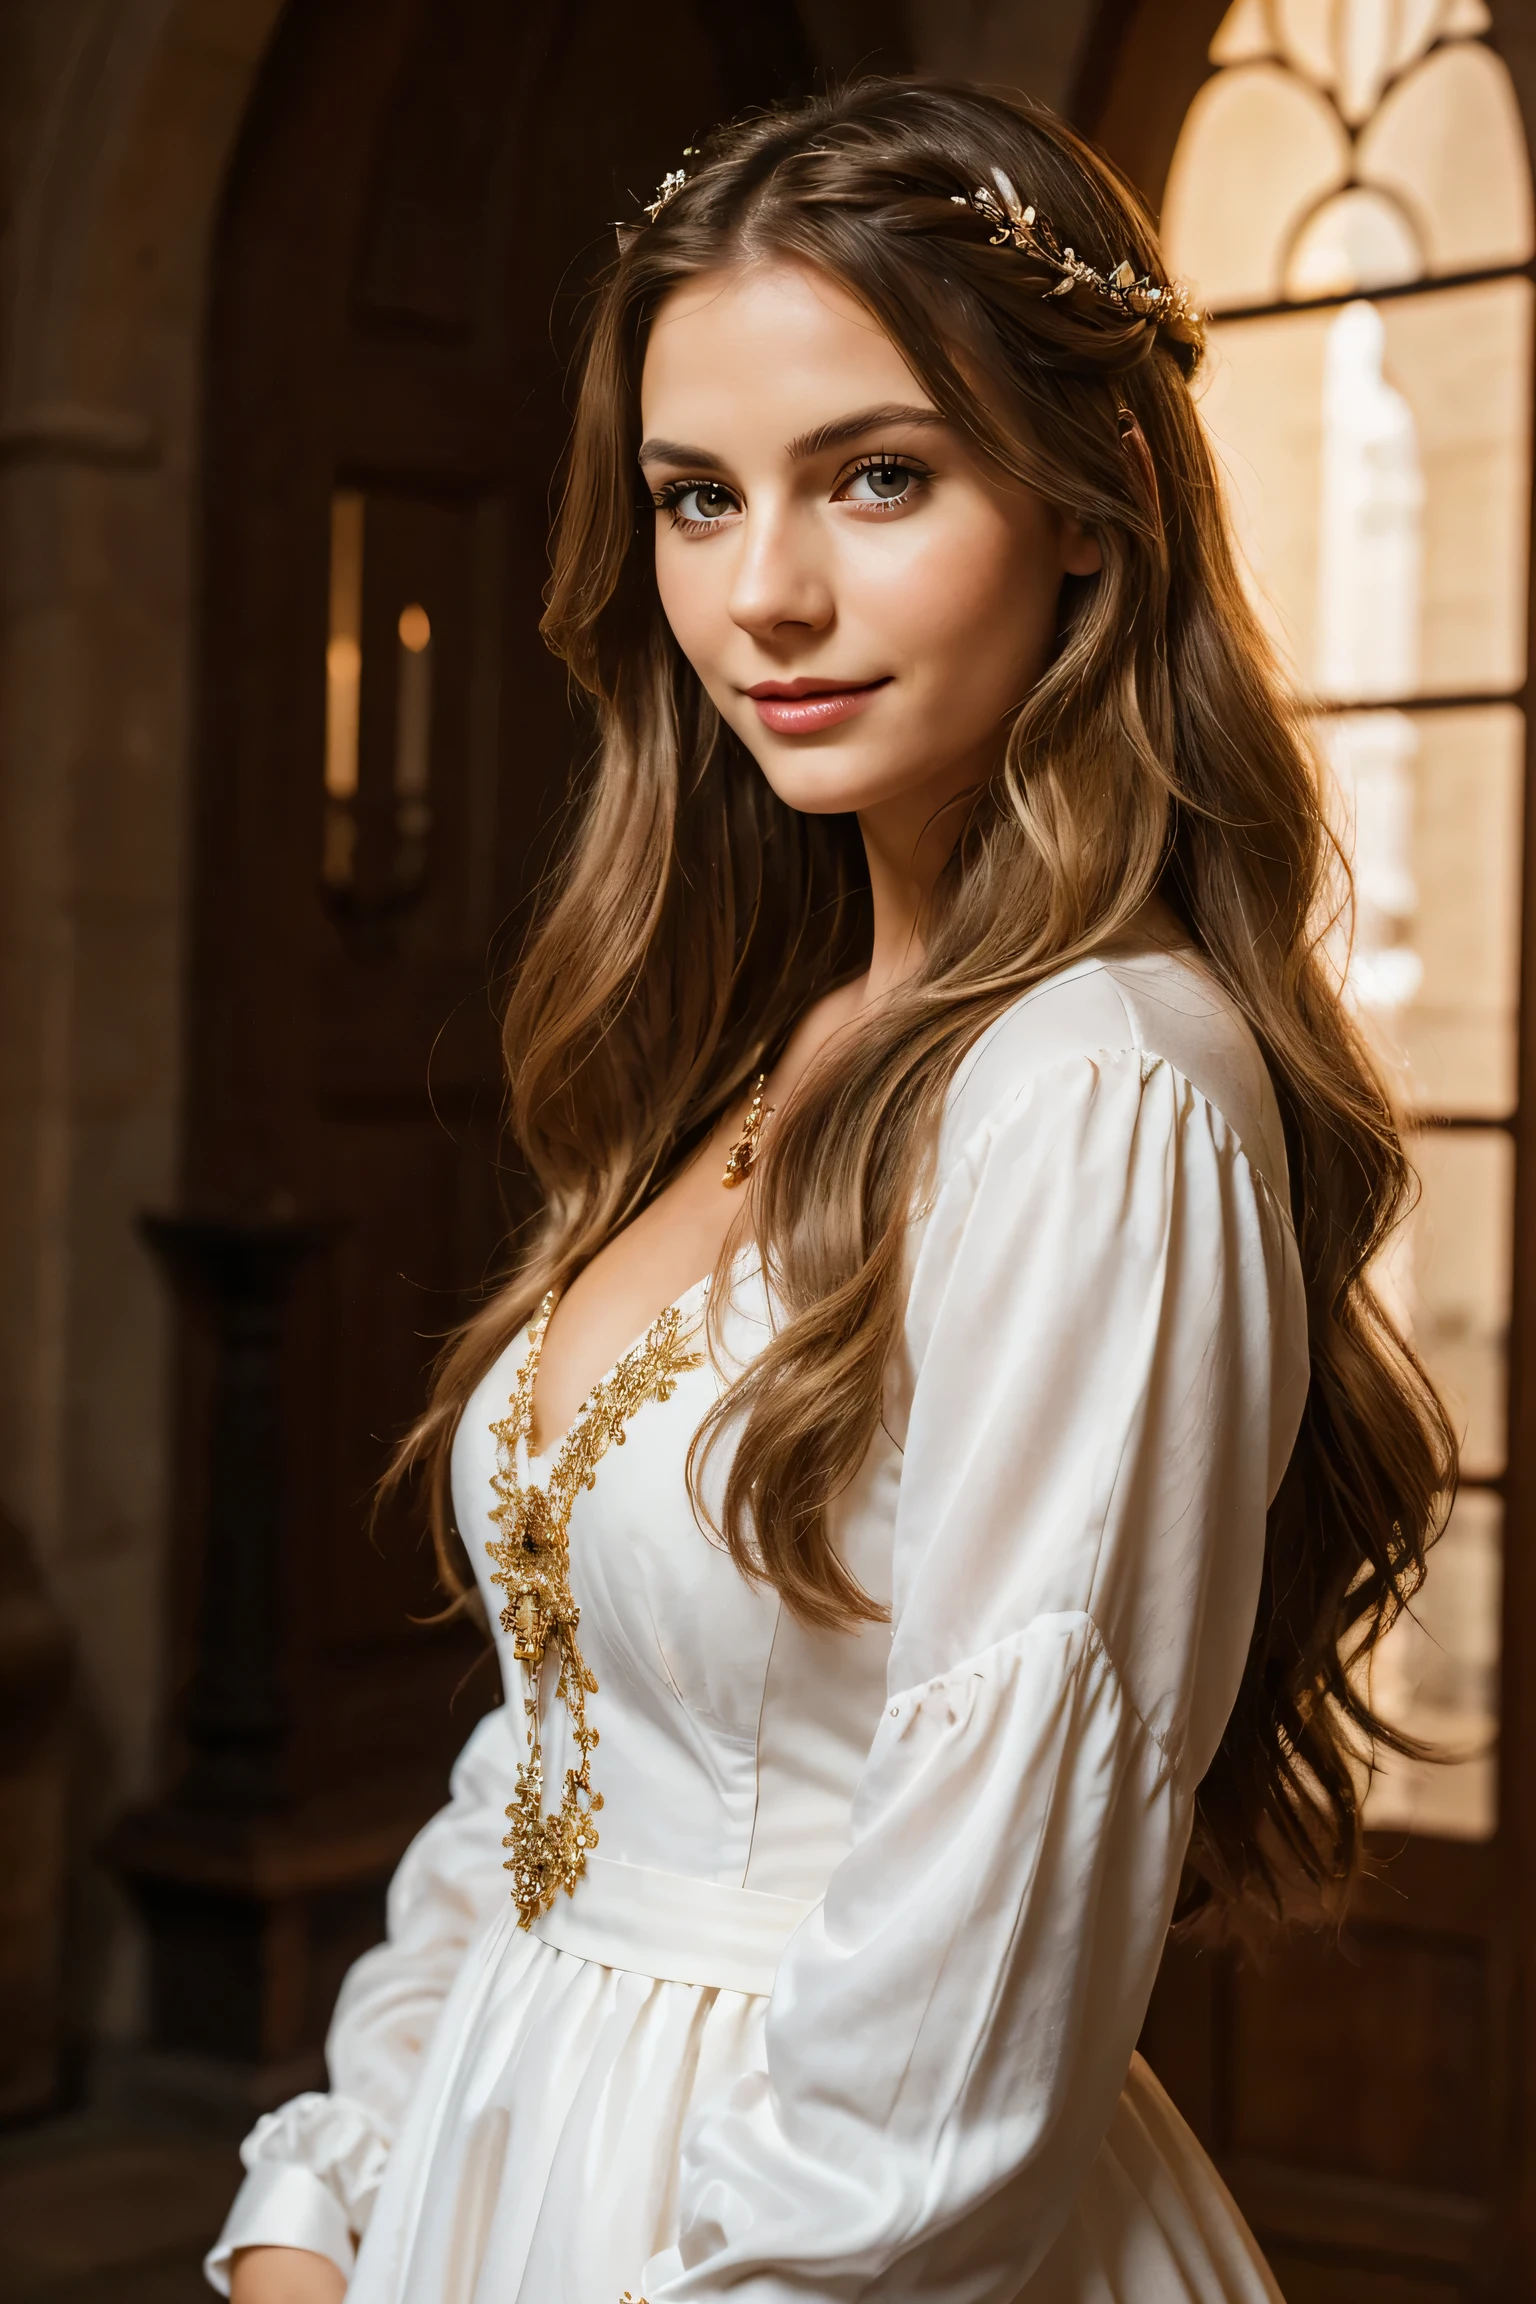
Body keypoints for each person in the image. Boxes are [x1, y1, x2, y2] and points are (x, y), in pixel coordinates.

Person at [210, 77, 1452, 2304]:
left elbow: (993, 1903)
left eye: (880, 477)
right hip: (515, 2175)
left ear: (1096, 504)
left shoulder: (1102, 1085)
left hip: (815, 2248)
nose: (766, 593)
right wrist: (338, 2190)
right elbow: (571, 1742)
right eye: (699, 498)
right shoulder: (757, 1050)